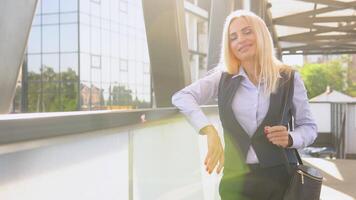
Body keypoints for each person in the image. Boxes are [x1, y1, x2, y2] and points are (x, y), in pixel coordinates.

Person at [171, 10, 317, 200]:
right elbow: (181, 97)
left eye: (247, 32)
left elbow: (309, 127)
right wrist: (208, 130)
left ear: (261, 34)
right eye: (233, 37)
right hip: (236, 181)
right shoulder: (222, 79)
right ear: (229, 45)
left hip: (280, 179)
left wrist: (290, 137)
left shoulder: (289, 78)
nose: (240, 39)